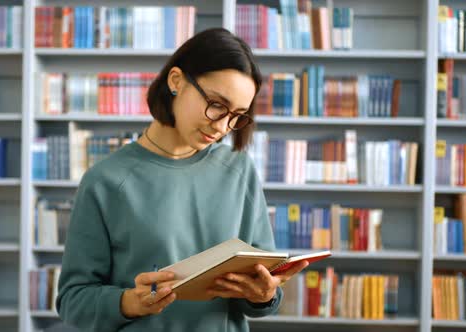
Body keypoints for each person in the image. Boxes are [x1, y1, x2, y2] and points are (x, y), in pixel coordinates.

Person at [56, 27, 309, 332]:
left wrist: (264, 295)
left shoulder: (240, 171)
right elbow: (72, 301)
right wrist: (130, 302)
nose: (223, 127)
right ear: (176, 81)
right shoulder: (105, 181)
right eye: (217, 104)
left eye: (237, 115)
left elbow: (262, 295)